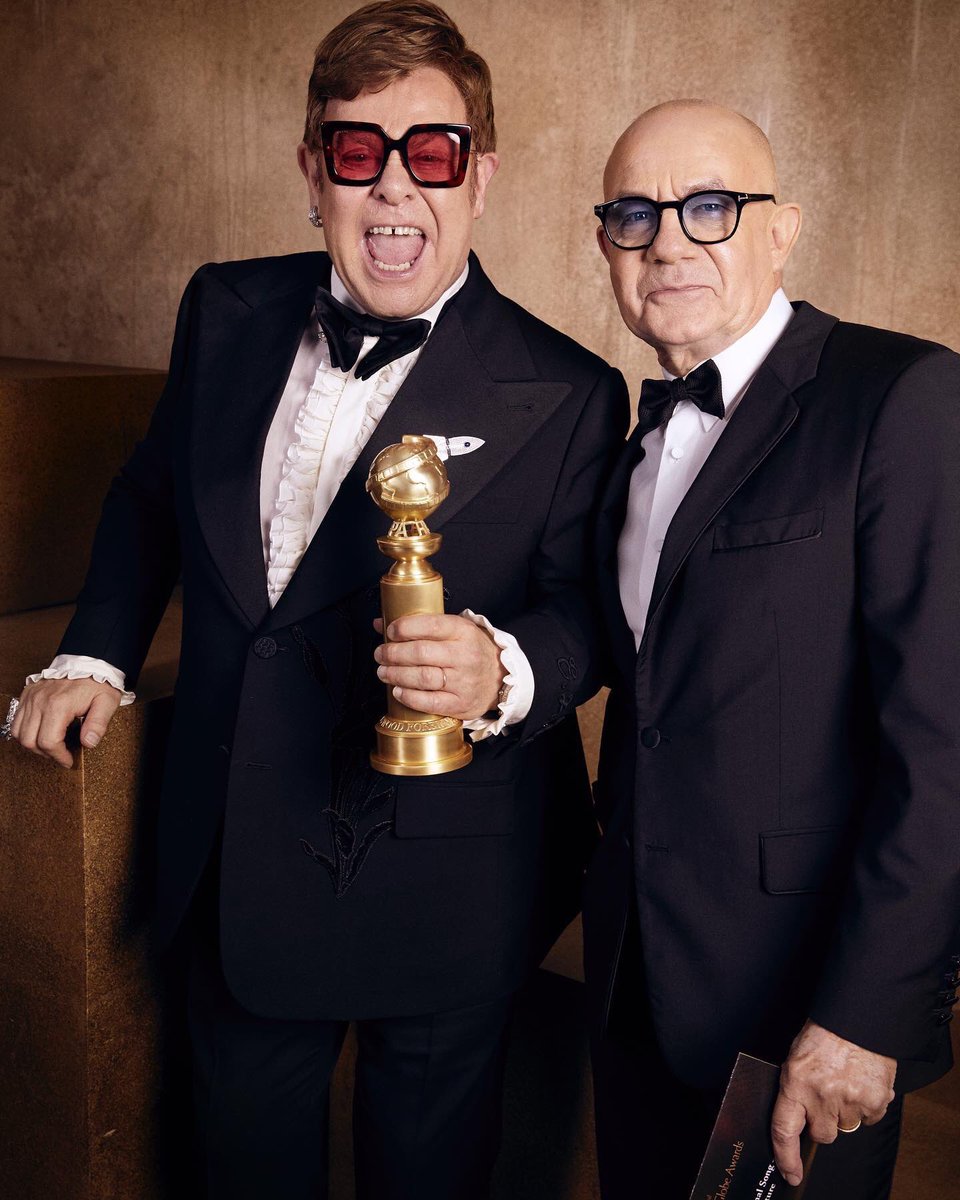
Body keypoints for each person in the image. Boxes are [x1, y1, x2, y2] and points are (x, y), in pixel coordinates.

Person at [4, 4, 628, 1196]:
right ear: (311, 170)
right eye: (356, 150)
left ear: (480, 177)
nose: (394, 187)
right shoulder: (224, 309)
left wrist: (503, 669)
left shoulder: (574, 389)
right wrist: (94, 654)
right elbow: (150, 494)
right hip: (238, 858)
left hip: (450, 881)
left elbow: (588, 614)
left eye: (432, 152)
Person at [585, 98, 960, 1200]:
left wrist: (867, 1015)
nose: (666, 243)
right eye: (634, 214)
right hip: (635, 988)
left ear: (784, 230)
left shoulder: (902, 395)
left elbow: (945, 743)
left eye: (710, 207)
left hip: (809, 1015)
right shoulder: (632, 440)